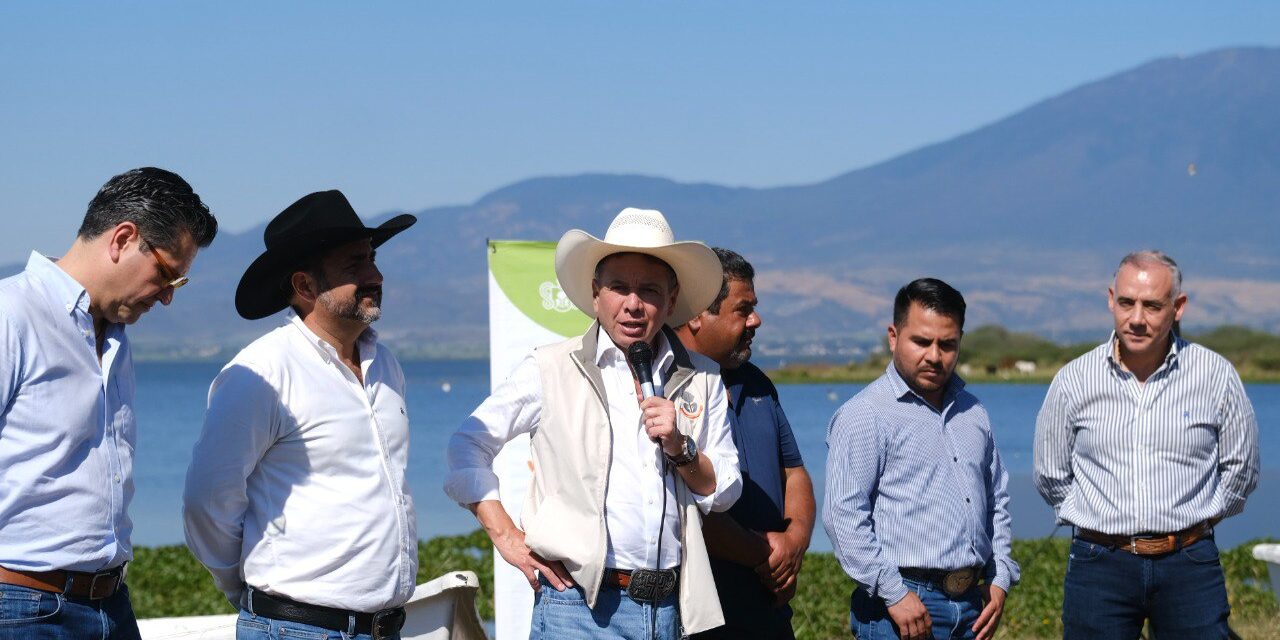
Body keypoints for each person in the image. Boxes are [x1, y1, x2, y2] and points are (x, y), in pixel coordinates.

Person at [445, 208, 742, 638]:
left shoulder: (702, 377)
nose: (633, 304)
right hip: (576, 609)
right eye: (619, 287)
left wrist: (681, 446)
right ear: (595, 292)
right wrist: (506, 535)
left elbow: (726, 489)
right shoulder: (548, 367)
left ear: (672, 299)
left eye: (650, 290)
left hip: (670, 610)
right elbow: (466, 445)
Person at [183, 190, 419, 640]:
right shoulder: (261, 373)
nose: (376, 275)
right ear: (305, 287)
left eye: (372, 259)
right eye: (355, 265)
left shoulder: (385, 364)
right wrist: (252, 589)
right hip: (294, 628)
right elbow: (208, 502)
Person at [0, 167, 217, 640]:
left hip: (110, 604)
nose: (166, 299)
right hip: (20, 606)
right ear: (122, 239)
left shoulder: (116, 337)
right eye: (165, 275)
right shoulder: (10, 316)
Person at [1033, 250, 1259, 639]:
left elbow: (1242, 468)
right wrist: (1097, 521)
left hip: (1189, 564)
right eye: (1127, 303)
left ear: (1178, 307)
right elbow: (1050, 474)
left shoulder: (1215, 376)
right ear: (1110, 299)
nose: (1137, 318)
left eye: (1152, 306)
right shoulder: (1074, 381)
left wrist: (1197, 519)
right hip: (1098, 565)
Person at [823, 278, 1018, 640]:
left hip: (973, 607)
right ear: (894, 337)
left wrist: (1000, 575)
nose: (934, 355)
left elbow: (998, 501)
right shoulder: (865, 414)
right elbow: (843, 517)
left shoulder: (973, 412)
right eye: (921, 341)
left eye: (947, 344)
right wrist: (895, 594)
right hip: (899, 609)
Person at [674, 248, 815, 640]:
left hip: (767, 608)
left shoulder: (757, 384)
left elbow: (795, 472)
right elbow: (691, 509)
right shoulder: (667, 389)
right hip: (700, 615)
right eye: (743, 309)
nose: (756, 320)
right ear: (697, 315)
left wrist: (796, 542)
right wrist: (766, 557)